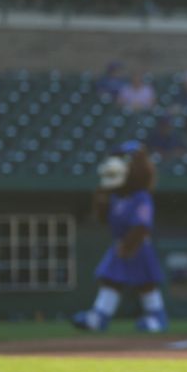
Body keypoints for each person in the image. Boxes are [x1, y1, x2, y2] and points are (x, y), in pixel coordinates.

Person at [72, 141, 168, 332]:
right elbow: (104, 219)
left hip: (138, 245)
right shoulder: (115, 197)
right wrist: (100, 202)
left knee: (146, 283)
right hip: (119, 244)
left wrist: (130, 244)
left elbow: (142, 225)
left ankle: (157, 317)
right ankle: (99, 316)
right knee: (111, 280)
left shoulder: (141, 197)